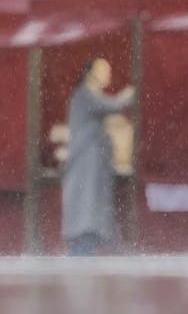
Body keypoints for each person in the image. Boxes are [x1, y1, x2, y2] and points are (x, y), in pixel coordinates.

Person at [61, 57, 135, 256]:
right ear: (90, 73)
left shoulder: (90, 97)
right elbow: (116, 105)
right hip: (86, 168)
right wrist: (133, 92)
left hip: (94, 169)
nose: (107, 75)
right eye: (103, 70)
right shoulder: (85, 96)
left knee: (91, 221)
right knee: (86, 220)